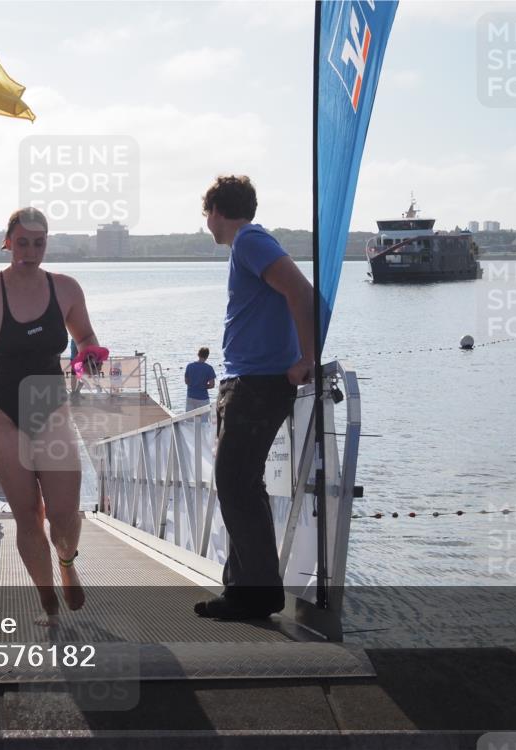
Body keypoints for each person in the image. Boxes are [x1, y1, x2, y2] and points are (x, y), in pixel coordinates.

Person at [0, 207, 102, 626]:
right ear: (8, 242)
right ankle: (47, 601)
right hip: (4, 415)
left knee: (65, 514)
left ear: (48, 242)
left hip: (50, 409)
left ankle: (66, 561)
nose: (31, 252)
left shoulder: (65, 288)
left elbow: (85, 337)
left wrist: (88, 355)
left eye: (39, 243)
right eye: (23, 243)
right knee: (28, 514)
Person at [194, 175, 314, 621]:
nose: (207, 223)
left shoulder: (249, 241)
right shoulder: (250, 244)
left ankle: (255, 595)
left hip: (257, 383)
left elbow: (301, 291)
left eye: (206, 214)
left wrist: (307, 357)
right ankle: (245, 590)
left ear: (216, 211)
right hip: (247, 381)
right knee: (242, 485)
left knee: (235, 484)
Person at [184, 347, 216, 413]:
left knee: (189, 420)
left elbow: (186, 381)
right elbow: (212, 385)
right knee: (204, 421)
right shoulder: (209, 368)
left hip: (190, 396)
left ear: (198, 354)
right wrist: (203, 386)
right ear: (207, 356)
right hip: (203, 397)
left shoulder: (189, 366)